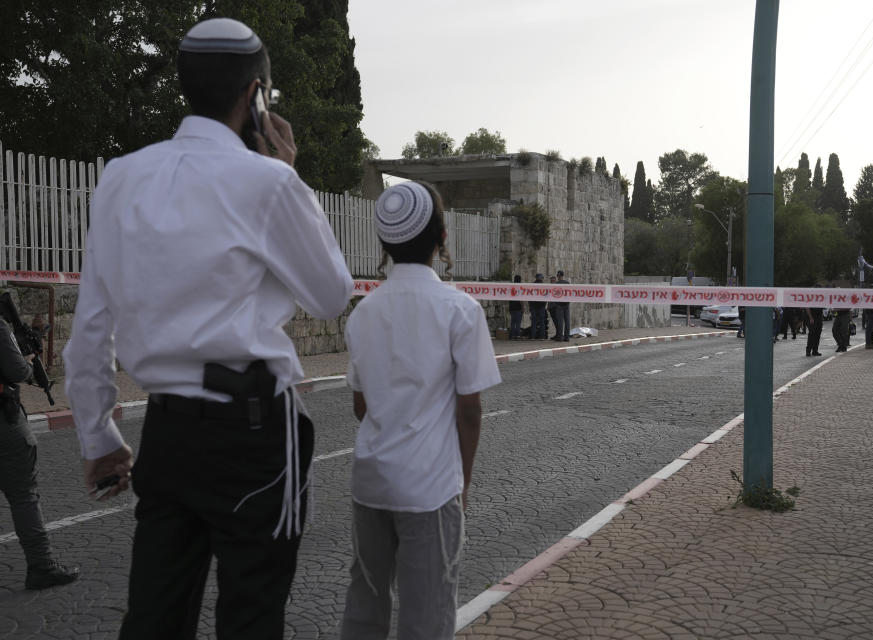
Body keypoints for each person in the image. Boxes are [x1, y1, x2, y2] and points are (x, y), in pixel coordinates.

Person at [62, 18, 354, 640]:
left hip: (167, 429)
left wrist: (99, 436)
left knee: (154, 616)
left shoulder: (120, 177)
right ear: (256, 96)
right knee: (251, 615)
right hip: (253, 432)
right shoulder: (269, 182)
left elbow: (91, 324)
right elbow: (331, 294)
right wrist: (289, 172)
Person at [341, 182, 501, 639]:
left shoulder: (363, 312)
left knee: (364, 606)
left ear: (384, 244)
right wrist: (463, 483)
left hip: (370, 482)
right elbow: (469, 411)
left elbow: (360, 405)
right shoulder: (461, 311)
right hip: (430, 489)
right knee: (427, 615)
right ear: (441, 238)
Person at [0, 315, 79, 590]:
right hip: (4, 423)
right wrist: (29, 361)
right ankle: (41, 567)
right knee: (24, 496)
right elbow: (17, 371)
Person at [554, 270, 571, 342]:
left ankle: (560, 337)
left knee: (560, 322)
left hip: (559, 305)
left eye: (557, 276)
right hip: (566, 304)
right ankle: (567, 337)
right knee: (567, 321)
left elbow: (554, 294)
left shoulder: (556, 284)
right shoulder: (567, 283)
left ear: (558, 276)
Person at [529, 274, 547, 339]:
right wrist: (544, 304)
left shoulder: (532, 285)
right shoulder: (544, 286)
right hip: (541, 306)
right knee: (542, 322)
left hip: (533, 305)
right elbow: (546, 296)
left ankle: (533, 336)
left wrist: (530, 306)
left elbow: (529, 296)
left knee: (534, 321)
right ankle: (542, 336)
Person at [508, 275, 524, 340]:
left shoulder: (511, 287)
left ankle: (512, 336)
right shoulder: (520, 287)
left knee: (512, 322)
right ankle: (517, 336)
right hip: (518, 307)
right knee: (518, 323)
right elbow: (521, 299)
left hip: (512, 307)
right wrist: (523, 307)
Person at [547, 275, 560, 339]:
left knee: (557, 321)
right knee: (555, 321)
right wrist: (548, 306)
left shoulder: (557, 287)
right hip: (551, 307)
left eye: (553, 280)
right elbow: (549, 297)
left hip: (556, 307)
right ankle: (558, 334)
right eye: (551, 280)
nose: (552, 281)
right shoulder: (550, 287)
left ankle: (559, 334)